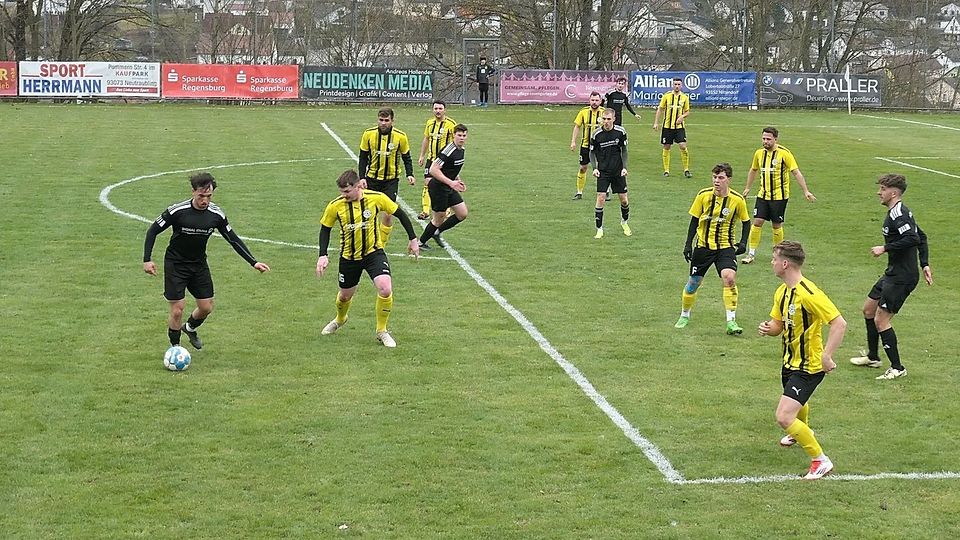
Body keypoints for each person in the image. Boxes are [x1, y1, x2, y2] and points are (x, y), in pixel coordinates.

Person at [143, 172, 270, 350]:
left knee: (206, 307)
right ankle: (175, 348)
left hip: (198, 265)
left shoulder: (216, 215)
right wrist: (147, 260)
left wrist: (253, 262)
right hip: (176, 264)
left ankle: (190, 328)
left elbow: (232, 239)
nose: (205, 200)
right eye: (201, 196)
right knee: (177, 309)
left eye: (208, 196)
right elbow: (152, 231)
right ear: (193, 192)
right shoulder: (177, 211)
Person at [758, 240, 846, 480]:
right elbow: (778, 324)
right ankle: (799, 433)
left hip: (809, 366)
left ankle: (820, 460)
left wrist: (827, 356)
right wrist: (769, 329)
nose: (772, 262)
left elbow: (839, 323)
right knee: (796, 401)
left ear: (785, 264)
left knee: (784, 416)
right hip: (790, 361)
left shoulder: (810, 294)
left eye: (775, 258)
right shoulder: (782, 291)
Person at [316, 169, 421, 348]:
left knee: (385, 289)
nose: (344, 196)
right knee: (344, 296)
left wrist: (413, 239)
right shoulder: (336, 205)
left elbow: (400, 214)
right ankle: (340, 319)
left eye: (347, 192)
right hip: (349, 257)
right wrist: (323, 255)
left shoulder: (376, 198)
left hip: (374, 253)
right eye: (341, 192)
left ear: (358, 186)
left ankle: (382, 330)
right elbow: (325, 228)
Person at [850, 174, 932, 380]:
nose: (879, 192)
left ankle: (897, 368)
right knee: (868, 309)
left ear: (893, 193)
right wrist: (925, 264)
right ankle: (873, 357)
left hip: (902, 277)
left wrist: (884, 248)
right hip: (893, 272)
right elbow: (921, 237)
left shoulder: (899, 214)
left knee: (881, 320)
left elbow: (912, 238)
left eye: (883, 189)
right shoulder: (897, 212)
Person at [674, 162, 750, 335]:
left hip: (725, 248)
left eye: (721, 178)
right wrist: (688, 244)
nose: (716, 181)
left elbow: (746, 222)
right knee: (693, 284)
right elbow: (694, 220)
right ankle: (684, 315)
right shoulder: (703, 196)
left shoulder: (737, 200)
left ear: (728, 180)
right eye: (714, 177)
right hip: (703, 247)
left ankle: (731, 322)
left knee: (729, 278)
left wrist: (743, 243)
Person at [740, 127, 816, 264]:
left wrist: (806, 190)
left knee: (776, 225)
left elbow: (796, 172)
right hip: (763, 195)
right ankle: (751, 254)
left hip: (779, 197)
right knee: (757, 221)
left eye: (768, 139)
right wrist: (747, 188)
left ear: (776, 139)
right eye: (763, 138)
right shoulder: (759, 154)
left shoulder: (784, 154)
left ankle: (778, 255)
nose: (765, 141)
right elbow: (753, 170)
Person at [358, 107, 416, 246]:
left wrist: (410, 174)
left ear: (392, 121)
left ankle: (381, 244)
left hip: (391, 180)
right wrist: (362, 177)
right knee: (368, 212)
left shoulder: (400, 136)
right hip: (372, 178)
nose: (383, 123)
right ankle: (366, 240)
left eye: (386, 120)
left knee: (388, 212)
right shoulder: (368, 134)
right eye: (381, 120)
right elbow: (363, 158)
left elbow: (406, 157)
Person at [418, 124, 469, 250]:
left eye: (464, 135)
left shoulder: (461, 150)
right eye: (459, 135)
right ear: (454, 135)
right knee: (438, 218)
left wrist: (458, 180)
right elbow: (433, 169)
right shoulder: (449, 150)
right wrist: (451, 183)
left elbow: (452, 169)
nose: (461, 138)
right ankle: (420, 243)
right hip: (438, 188)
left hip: (448, 186)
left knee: (462, 213)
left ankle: (436, 232)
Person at [589, 109, 631, 238]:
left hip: (618, 171)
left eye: (608, 119)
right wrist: (594, 168)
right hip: (603, 172)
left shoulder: (620, 132)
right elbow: (591, 152)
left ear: (613, 119)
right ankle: (599, 229)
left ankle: (624, 222)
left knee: (624, 200)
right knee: (601, 198)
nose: (606, 122)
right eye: (604, 119)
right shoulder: (596, 134)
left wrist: (624, 167)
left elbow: (624, 150)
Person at [418, 100, 458, 220]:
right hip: (431, 159)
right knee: (427, 183)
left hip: (444, 161)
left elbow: (455, 142)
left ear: (445, 110)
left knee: (444, 184)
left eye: (440, 109)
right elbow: (426, 139)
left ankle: (446, 209)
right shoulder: (430, 123)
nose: (438, 111)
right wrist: (422, 156)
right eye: (436, 109)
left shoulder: (451, 124)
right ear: (433, 110)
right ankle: (425, 211)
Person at [653, 77, 691, 178]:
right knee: (666, 147)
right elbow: (660, 109)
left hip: (679, 127)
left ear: (681, 85)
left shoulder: (684, 98)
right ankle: (666, 170)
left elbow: (687, 111)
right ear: (672, 85)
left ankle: (686, 169)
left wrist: (682, 117)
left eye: (678, 84)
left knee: (683, 146)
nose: (677, 86)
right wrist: (656, 123)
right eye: (675, 84)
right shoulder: (667, 96)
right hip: (667, 127)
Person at [570, 91, 605, 200]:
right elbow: (577, 126)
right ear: (589, 100)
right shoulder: (583, 112)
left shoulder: (604, 113)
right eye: (592, 100)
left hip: (601, 147)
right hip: (586, 146)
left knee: (602, 168)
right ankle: (579, 192)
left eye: (596, 100)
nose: (594, 102)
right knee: (583, 168)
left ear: (600, 101)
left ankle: (605, 191)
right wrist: (573, 141)